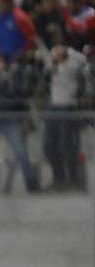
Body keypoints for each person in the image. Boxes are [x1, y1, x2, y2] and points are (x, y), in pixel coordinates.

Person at [0, 56, 39, 194]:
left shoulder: (14, 77)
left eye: (1, 61)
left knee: (21, 152)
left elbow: (19, 96)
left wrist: (8, 81)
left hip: (10, 120)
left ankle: (31, 184)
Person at [42, 43, 86, 191]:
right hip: (53, 108)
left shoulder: (72, 65)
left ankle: (72, 180)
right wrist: (45, 47)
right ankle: (58, 178)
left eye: (59, 51)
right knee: (49, 146)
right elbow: (43, 54)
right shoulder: (53, 66)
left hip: (68, 108)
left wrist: (68, 50)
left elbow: (82, 59)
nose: (56, 54)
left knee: (68, 146)